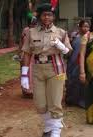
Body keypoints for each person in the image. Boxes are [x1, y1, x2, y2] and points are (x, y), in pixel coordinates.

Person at [20, 3, 72, 136]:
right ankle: (50, 126)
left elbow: (69, 53)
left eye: (50, 15)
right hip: (38, 69)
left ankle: (55, 131)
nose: (47, 17)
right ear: (39, 16)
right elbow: (27, 53)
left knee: (55, 101)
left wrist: (62, 47)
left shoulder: (61, 32)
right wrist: (24, 74)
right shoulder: (31, 32)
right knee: (40, 103)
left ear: (53, 17)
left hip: (56, 68)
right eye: (44, 14)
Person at [65, 20, 90, 108]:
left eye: (87, 27)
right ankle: (71, 100)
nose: (86, 28)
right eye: (84, 26)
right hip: (73, 62)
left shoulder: (89, 38)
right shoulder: (74, 37)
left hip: (83, 63)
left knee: (83, 82)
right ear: (80, 27)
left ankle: (82, 101)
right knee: (72, 81)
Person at [19, 16, 37, 98]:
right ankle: (25, 90)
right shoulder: (25, 30)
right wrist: (19, 52)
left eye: (34, 22)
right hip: (24, 53)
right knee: (24, 71)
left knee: (32, 72)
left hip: (34, 55)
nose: (32, 23)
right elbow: (21, 42)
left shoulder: (37, 30)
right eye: (31, 22)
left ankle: (32, 91)